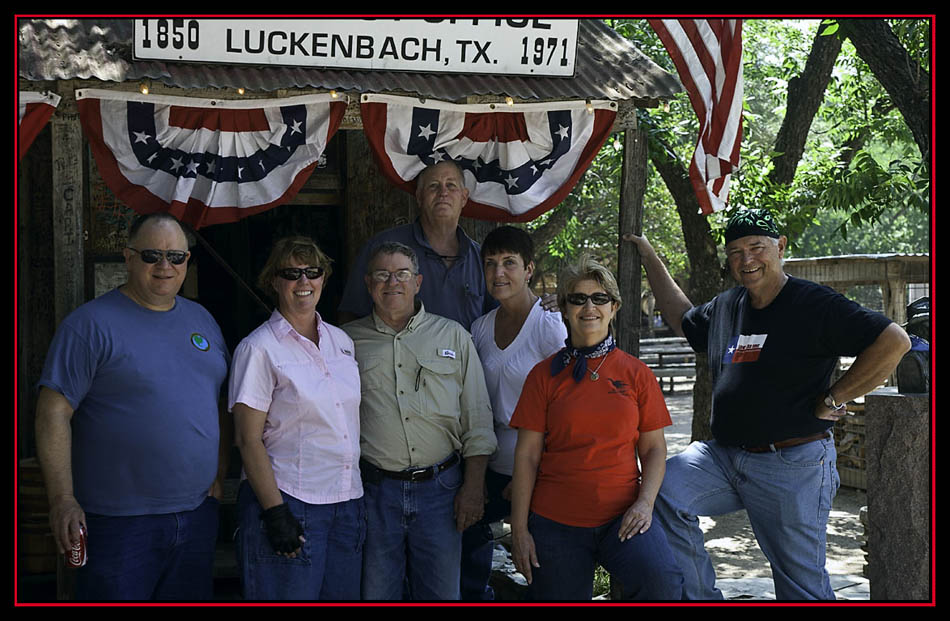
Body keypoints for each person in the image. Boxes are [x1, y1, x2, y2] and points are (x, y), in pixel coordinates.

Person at [625, 208, 912, 600]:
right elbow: (682, 319)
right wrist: (649, 258)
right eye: (736, 252)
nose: (746, 260)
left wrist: (834, 397)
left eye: (757, 247)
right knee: (660, 491)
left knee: (799, 586)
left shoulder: (814, 304)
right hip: (722, 458)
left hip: (791, 463)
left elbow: (894, 341)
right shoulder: (729, 306)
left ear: (780, 247)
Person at [35, 212, 230, 600]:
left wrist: (219, 471)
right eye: (151, 255)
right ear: (128, 257)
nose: (164, 266)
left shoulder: (202, 319)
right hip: (119, 524)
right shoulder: (89, 325)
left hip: (195, 515)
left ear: (187, 261)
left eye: (176, 257)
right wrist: (63, 498)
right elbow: (53, 412)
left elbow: (221, 401)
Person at [508, 256, 684, 601]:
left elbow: (653, 450)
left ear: (614, 307)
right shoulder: (542, 376)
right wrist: (519, 530)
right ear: (565, 308)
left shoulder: (636, 374)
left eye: (599, 298)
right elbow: (527, 456)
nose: (589, 306)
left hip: (623, 517)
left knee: (663, 584)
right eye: (578, 298)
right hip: (556, 521)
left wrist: (645, 504)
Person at [342, 242, 496, 600]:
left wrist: (473, 487)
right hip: (375, 491)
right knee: (376, 594)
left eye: (402, 274)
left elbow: (477, 417)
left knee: (442, 594)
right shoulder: (346, 342)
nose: (391, 282)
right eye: (382, 274)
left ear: (418, 282)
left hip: (441, 491)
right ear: (368, 283)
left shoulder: (454, 335)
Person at [229, 236, 364, 600]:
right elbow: (247, 439)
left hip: (347, 502)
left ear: (324, 277)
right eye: (291, 273)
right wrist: (275, 513)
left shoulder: (342, 342)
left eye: (312, 272)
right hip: (290, 500)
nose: (303, 282)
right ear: (273, 281)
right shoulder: (258, 348)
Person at [462, 226, 568, 600]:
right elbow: (474, 401)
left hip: (543, 464)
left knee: (541, 561)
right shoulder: (479, 328)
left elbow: (569, 403)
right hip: (493, 459)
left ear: (528, 270)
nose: (498, 273)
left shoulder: (549, 324)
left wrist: (531, 473)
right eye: (490, 264)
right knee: (462, 530)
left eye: (509, 263)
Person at [338, 160, 495, 330]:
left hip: (465, 355)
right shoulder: (381, 247)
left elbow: (498, 321)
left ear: (464, 197)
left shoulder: (481, 258)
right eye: (434, 186)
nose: (443, 192)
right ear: (419, 197)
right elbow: (350, 316)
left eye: (451, 185)